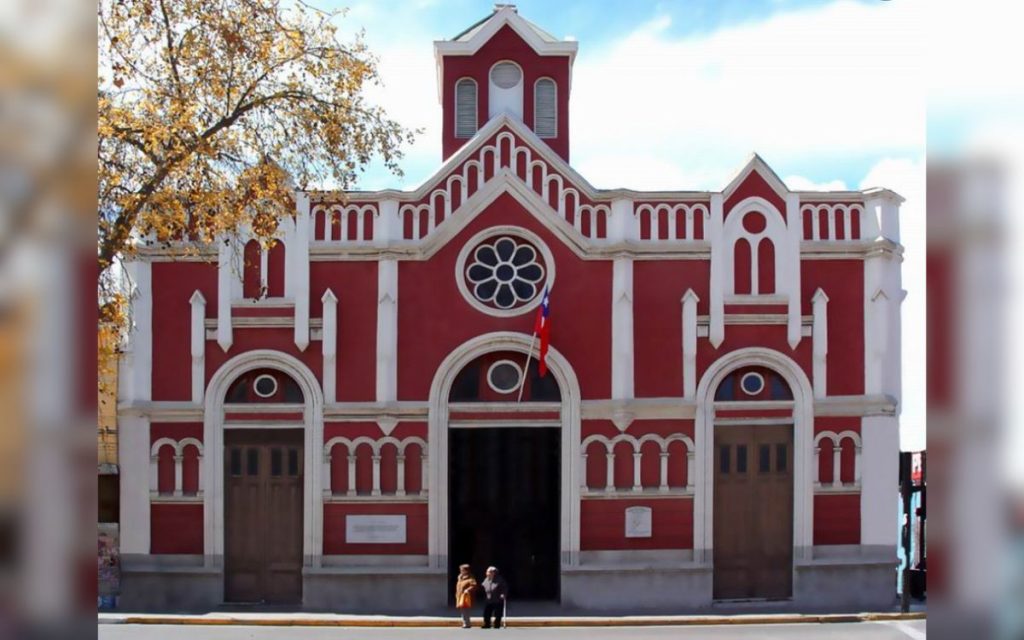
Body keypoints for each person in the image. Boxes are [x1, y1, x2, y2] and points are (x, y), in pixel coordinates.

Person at [454, 564, 478, 629]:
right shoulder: (460, 577)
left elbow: (474, 586)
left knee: (465, 611)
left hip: (466, 597)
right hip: (460, 596)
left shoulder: (470, 578)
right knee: (462, 611)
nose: (461, 571)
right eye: (460, 570)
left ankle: (466, 623)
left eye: (462, 570)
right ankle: (466, 623)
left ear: (466, 571)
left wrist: (467, 589)